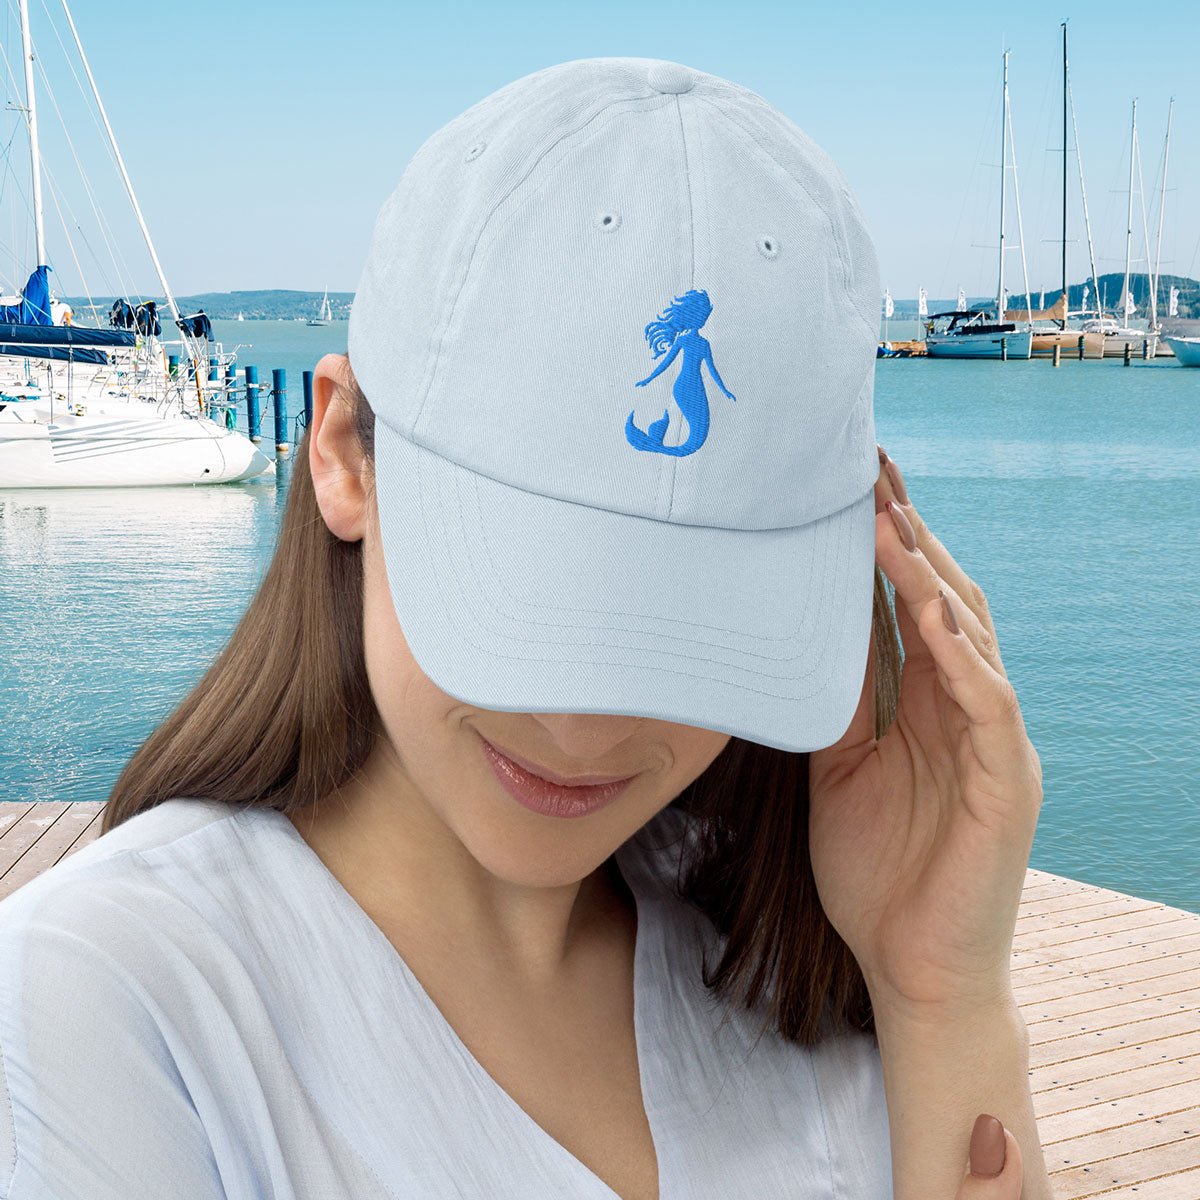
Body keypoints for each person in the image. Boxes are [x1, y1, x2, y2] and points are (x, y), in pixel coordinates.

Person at [0, 57, 1050, 1199]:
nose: (582, 724)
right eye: (528, 594)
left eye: (690, 619)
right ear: (346, 454)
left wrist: (941, 994)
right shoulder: (104, 1005)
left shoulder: (807, 955)